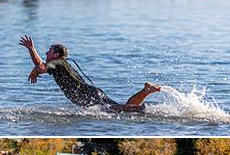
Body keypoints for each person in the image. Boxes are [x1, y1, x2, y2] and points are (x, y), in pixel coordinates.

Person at [19, 35, 161, 112]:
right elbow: (41, 68)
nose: (46, 53)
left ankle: (140, 109)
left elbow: (40, 66)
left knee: (117, 109)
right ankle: (145, 91)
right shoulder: (60, 64)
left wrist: (31, 49)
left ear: (56, 54)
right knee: (119, 108)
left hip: (87, 94)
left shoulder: (58, 63)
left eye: (49, 51)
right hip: (92, 92)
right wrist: (36, 71)